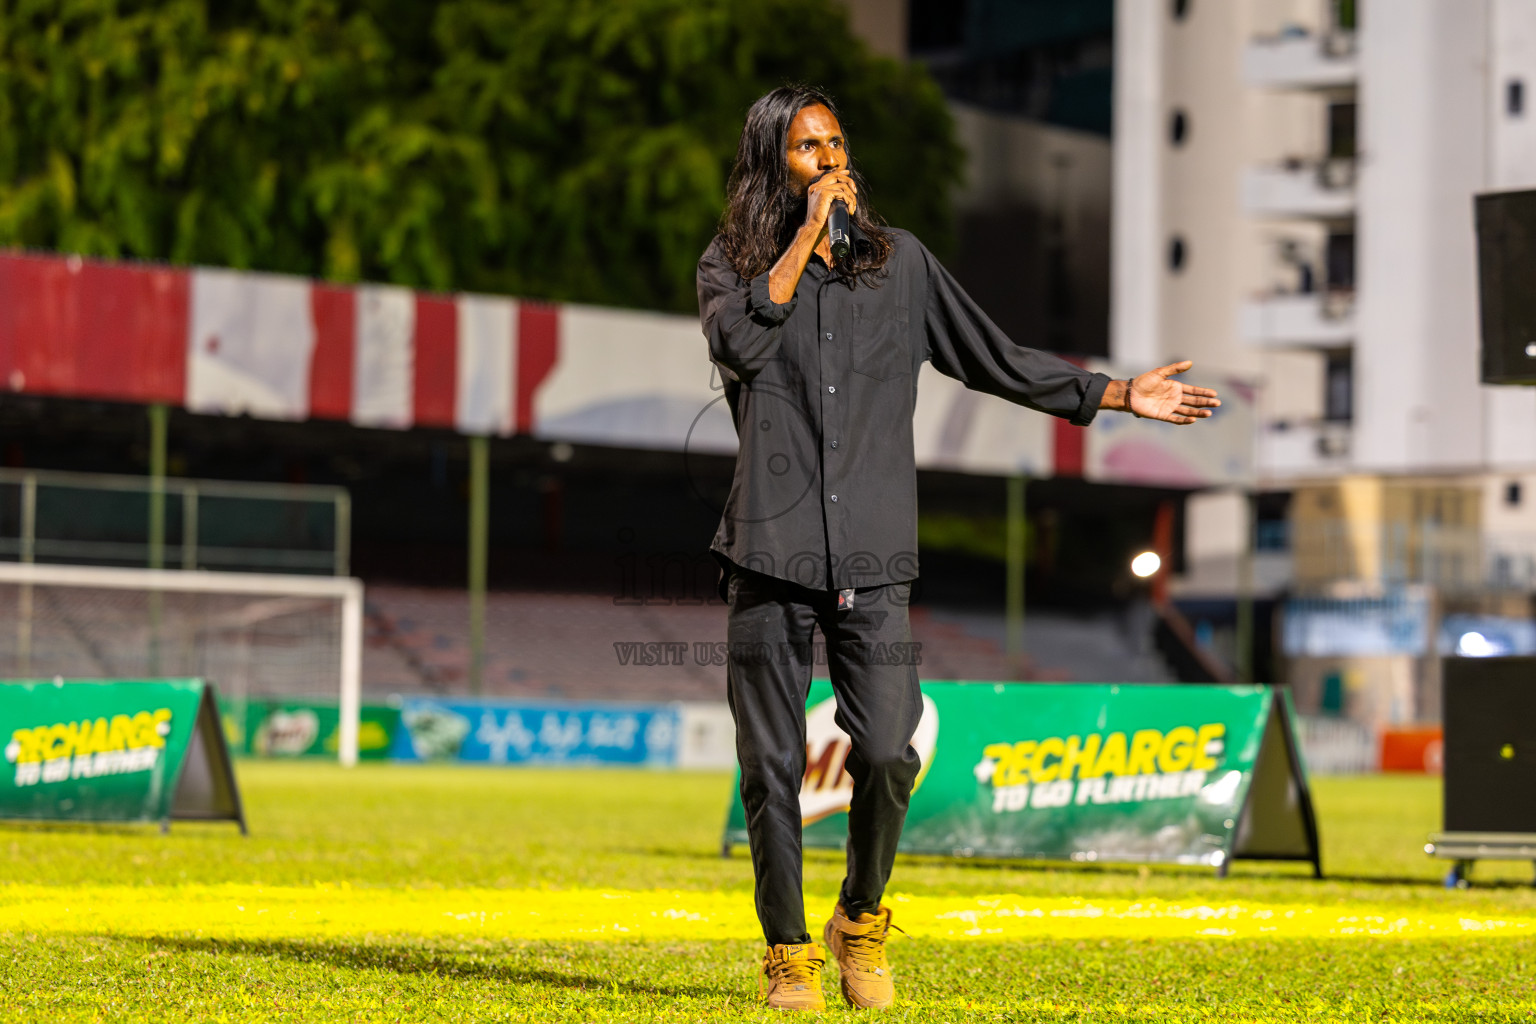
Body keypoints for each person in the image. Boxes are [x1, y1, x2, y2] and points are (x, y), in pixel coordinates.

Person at [696, 85, 1220, 1012]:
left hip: (874, 558)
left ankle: (858, 921)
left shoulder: (902, 269)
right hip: (767, 554)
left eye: (837, 143)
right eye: (808, 147)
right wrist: (801, 243)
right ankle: (787, 954)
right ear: (775, 162)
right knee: (771, 768)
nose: (830, 159)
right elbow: (738, 342)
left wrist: (1116, 394)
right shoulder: (733, 263)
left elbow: (997, 358)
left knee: (891, 750)